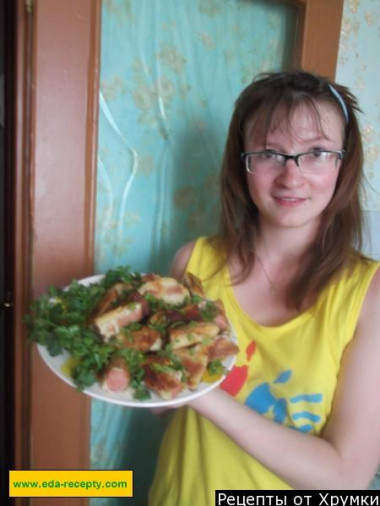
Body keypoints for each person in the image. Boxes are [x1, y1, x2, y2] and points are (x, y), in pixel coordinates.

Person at [148, 71, 380, 502]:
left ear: (343, 163)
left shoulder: (371, 294)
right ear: (243, 162)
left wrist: (200, 393)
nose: (292, 177)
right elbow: (170, 409)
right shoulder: (192, 263)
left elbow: (347, 479)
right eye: (271, 153)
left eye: (316, 153)